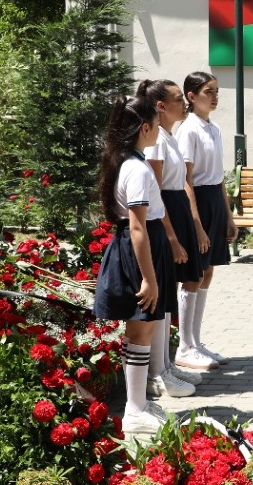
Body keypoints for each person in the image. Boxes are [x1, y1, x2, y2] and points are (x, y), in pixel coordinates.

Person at [92, 92, 167, 436]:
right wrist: (149, 279)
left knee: (143, 327)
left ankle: (139, 403)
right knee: (141, 327)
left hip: (144, 248)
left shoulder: (131, 162)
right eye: (156, 123)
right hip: (140, 252)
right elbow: (138, 227)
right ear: (145, 128)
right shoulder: (135, 168)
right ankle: (134, 409)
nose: (160, 129)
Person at [140, 79, 202, 400]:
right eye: (179, 99)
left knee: (169, 295)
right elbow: (156, 192)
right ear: (160, 106)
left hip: (176, 209)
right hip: (166, 216)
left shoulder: (168, 136)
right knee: (162, 294)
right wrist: (172, 237)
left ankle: (165, 364)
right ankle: (156, 373)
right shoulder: (156, 143)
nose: (185, 104)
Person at [173, 71, 238, 371]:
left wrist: (228, 216)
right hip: (196, 202)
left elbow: (219, 177)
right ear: (191, 96)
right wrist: (197, 225)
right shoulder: (189, 129)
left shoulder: (214, 128)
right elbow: (186, 181)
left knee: (208, 271)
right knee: (194, 274)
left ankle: (196, 342)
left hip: (214, 201)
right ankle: (184, 346)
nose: (214, 97)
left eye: (216, 91)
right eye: (208, 92)